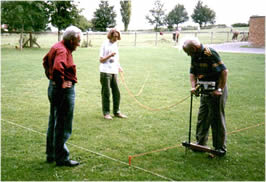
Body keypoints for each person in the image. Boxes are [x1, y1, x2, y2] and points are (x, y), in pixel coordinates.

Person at [43, 26, 82, 166]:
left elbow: (45, 61)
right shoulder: (62, 50)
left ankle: (51, 154)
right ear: (71, 40)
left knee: (54, 121)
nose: (79, 43)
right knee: (63, 124)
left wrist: (52, 79)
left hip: (53, 88)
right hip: (63, 91)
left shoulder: (57, 46)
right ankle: (62, 157)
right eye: (78, 40)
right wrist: (60, 82)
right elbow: (57, 67)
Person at [182, 39, 228, 156]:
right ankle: (200, 144)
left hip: (216, 89)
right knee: (202, 117)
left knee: (216, 118)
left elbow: (224, 72)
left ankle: (219, 148)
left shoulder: (210, 53)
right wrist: (193, 87)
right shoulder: (195, 55)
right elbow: (192, 73)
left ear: (193, 49)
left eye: (188, 52)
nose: (188, 55)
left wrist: (219, 90)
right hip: (204, 88)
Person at [99, 28, 127, 120]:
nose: (116, 38)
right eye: (114, 36)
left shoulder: (115, 45)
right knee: (106, 93)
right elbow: (101, 60)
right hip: (105, 71)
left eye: (117, 37)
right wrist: (110, 55)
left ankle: (117, 112)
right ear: (110, 35)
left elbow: (116, 58)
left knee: (117, 92)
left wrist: (119, 66)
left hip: (114, 71)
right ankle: (106, 113)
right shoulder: (104, 44)